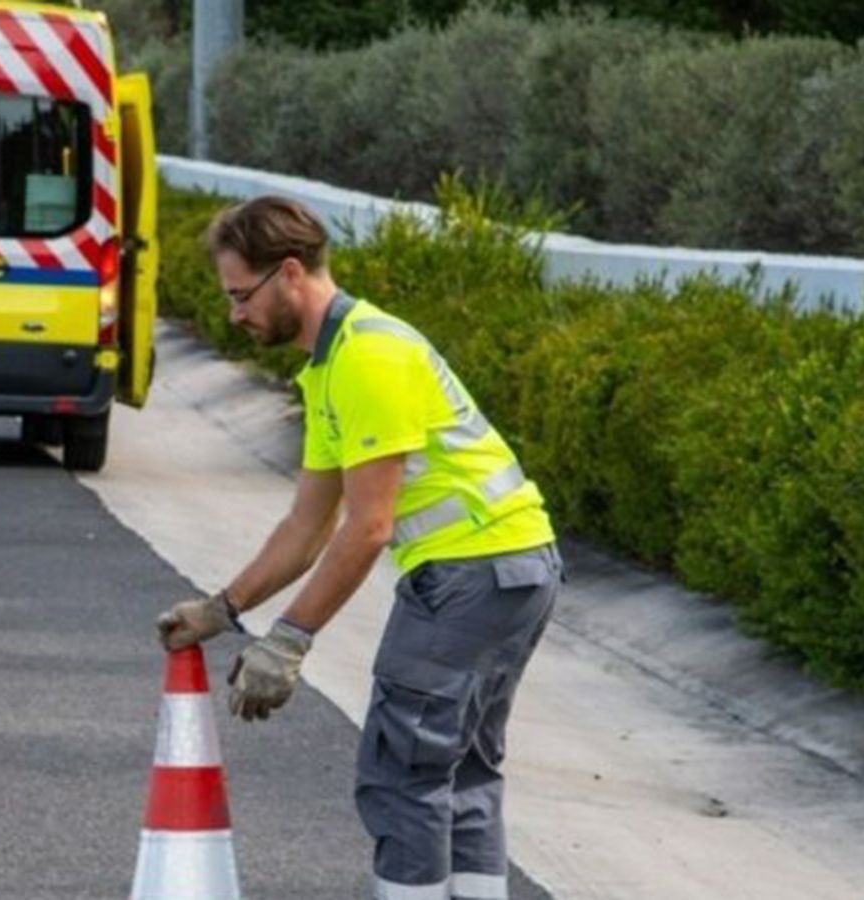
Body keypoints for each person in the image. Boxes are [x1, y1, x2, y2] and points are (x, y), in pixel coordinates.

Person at [156, 195, 563, 900]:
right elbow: (306, 526)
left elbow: (367, 528)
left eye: (240, 295)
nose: (234, 315)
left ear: (288, 273)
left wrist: (290, 641)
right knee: (461, 771)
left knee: (403, 772)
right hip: (514, 570)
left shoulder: (368, 358)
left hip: (470, 576)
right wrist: (225, 610)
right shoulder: (332, 364)